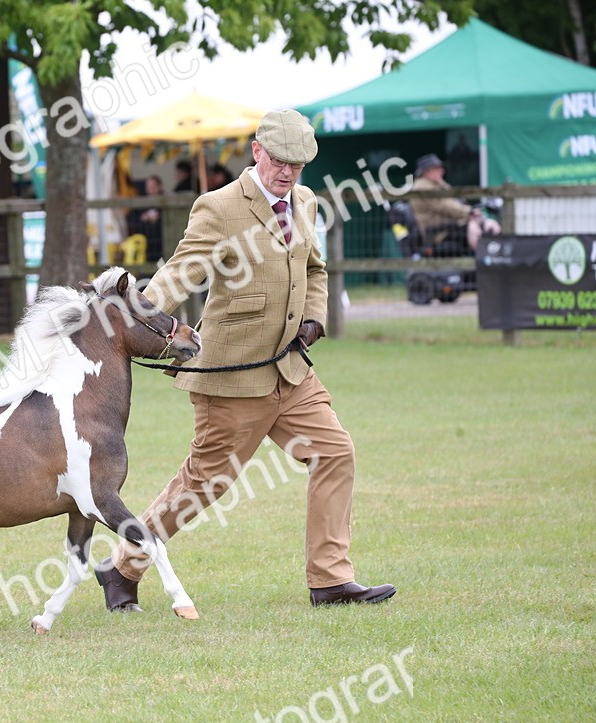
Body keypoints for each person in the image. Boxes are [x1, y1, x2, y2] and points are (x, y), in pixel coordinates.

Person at [97, 109, 396, 612]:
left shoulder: (305, 201)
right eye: (280, 160)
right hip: (230, 378)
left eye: (298, 164)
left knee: (334, 452)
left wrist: (315, 319)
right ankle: (123, 567)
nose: (288, 172)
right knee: (201, 486)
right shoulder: (218, 207)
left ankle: (329, 580)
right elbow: (182, 270)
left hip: (291, 371)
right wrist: (139, 319)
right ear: (257, 151)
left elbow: (315, 269)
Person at [409, 154, 500, 254]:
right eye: (436, 168)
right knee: (474, 226)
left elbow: (456, 200)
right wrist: (469, 211)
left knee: (489, 224)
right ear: (426, 171)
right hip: (439, 232)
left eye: (440, 167)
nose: (441, 170)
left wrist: (471, 212)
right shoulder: (423, 186)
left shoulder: (437, 183)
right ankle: (482, 261)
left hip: (451, 225)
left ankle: (489, 260)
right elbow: (445, 206)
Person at [126, 174, 165, 263]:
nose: (149, 190)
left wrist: (160, 218)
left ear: (160, 187)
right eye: (148, 187)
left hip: (162, 246)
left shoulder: (166, 203)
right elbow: (131, 220)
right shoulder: (140, 203)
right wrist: (142, 218)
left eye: (153, 187)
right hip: (145, 247)